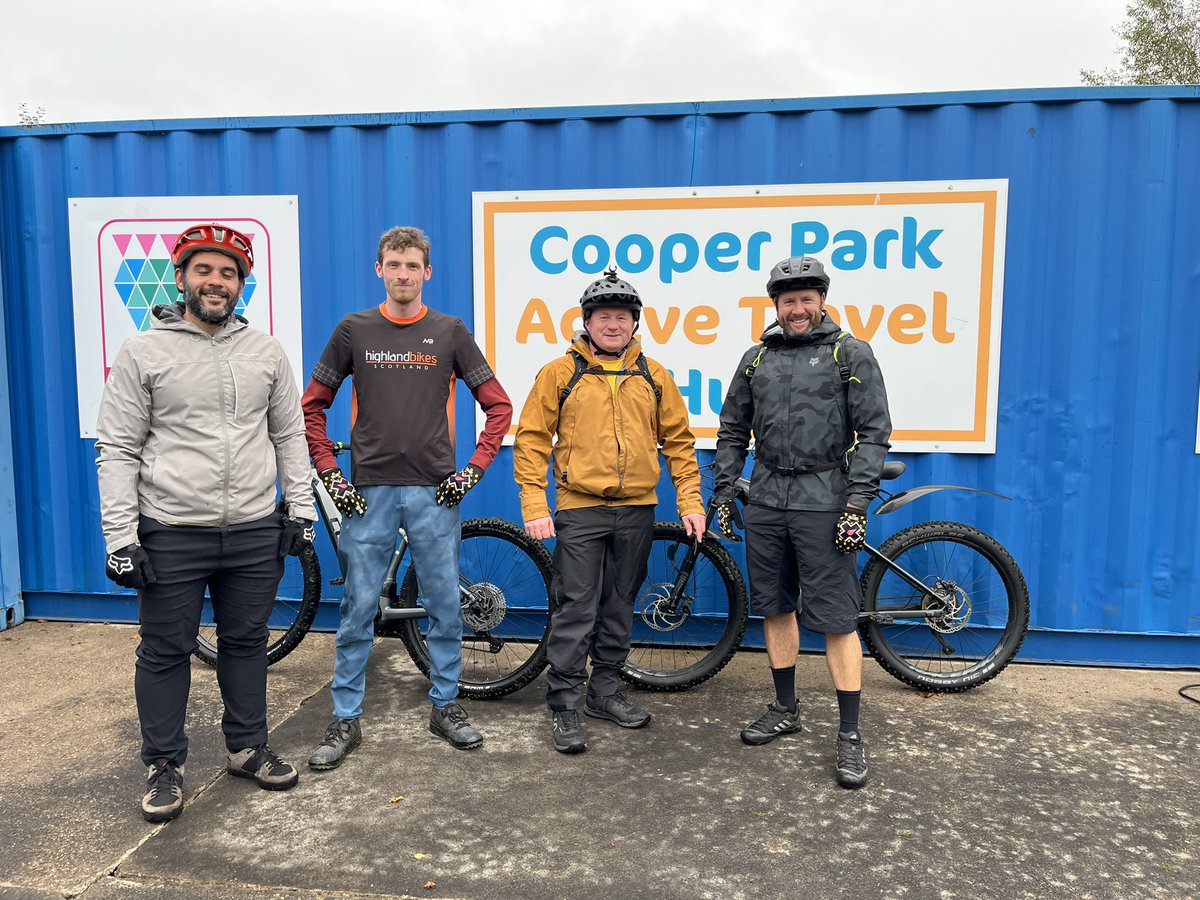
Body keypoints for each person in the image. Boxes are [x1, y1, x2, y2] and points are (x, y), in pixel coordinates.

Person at [96, 223, 316, 823]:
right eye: (204, 270)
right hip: (171, 530)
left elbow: (288, 436)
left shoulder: (266, 352)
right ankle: (163, 765)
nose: (215, 282)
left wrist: (299, 513)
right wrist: (121, 538)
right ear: (182, 276)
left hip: (252, 531)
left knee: (246, 643)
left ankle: (247, 747)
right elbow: (117, 448)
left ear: (241, 284)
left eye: (228, 273)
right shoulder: (144, 352)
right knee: (165, 650)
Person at [302, 226, 512, 767]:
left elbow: (498, 405)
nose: (402, 274)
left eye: (412, 266)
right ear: (379, 269)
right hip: (366, 492)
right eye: (393, 265)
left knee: (444, 608)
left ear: (427, 273)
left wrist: (473, 471)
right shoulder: (353, 330)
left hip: (434, 492)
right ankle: (345, 719)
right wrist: (331, 473)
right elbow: (312, 405)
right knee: (357, 611)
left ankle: (446, 706)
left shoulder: (448, 331)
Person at [713, 255, 891, 789]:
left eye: (806, 299)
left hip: (825, 499)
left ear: (821, 301)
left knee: (837, 618)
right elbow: (731, 430)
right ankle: (786, 708)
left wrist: (856, 505)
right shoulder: (755, 359)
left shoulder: (848, 353)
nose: (797, 308)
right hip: (766, 499)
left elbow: (874, 432)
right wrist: (725, 492)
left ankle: (851, 734)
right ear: (776, 305)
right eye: (787, 300)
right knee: (774, 606)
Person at [513, 267, 705, 754]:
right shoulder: (561, 372)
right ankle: (563, 703)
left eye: (622, 316)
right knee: (577, 606)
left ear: (635, 324)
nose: (613, 324)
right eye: (604, 316)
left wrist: (690, 500)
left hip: (637, 509)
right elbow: (532, 440)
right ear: (588, 322)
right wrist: (535, 503)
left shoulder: (653, 375)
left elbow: (679, 443)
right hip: (580, 509)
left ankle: (603, 693)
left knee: (619, 604)